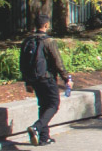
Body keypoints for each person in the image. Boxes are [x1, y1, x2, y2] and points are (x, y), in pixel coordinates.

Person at [19, 15, 70, 146]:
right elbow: (58, 62)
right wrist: (67, 78)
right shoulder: (49, 41)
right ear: (46, 25)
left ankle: (44, 138)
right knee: (53, 104)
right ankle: (36, 127)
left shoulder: (27, 41)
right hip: (47, 78)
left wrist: (28, 82)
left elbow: (22, 64)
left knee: (43, 105)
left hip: (34, 79)